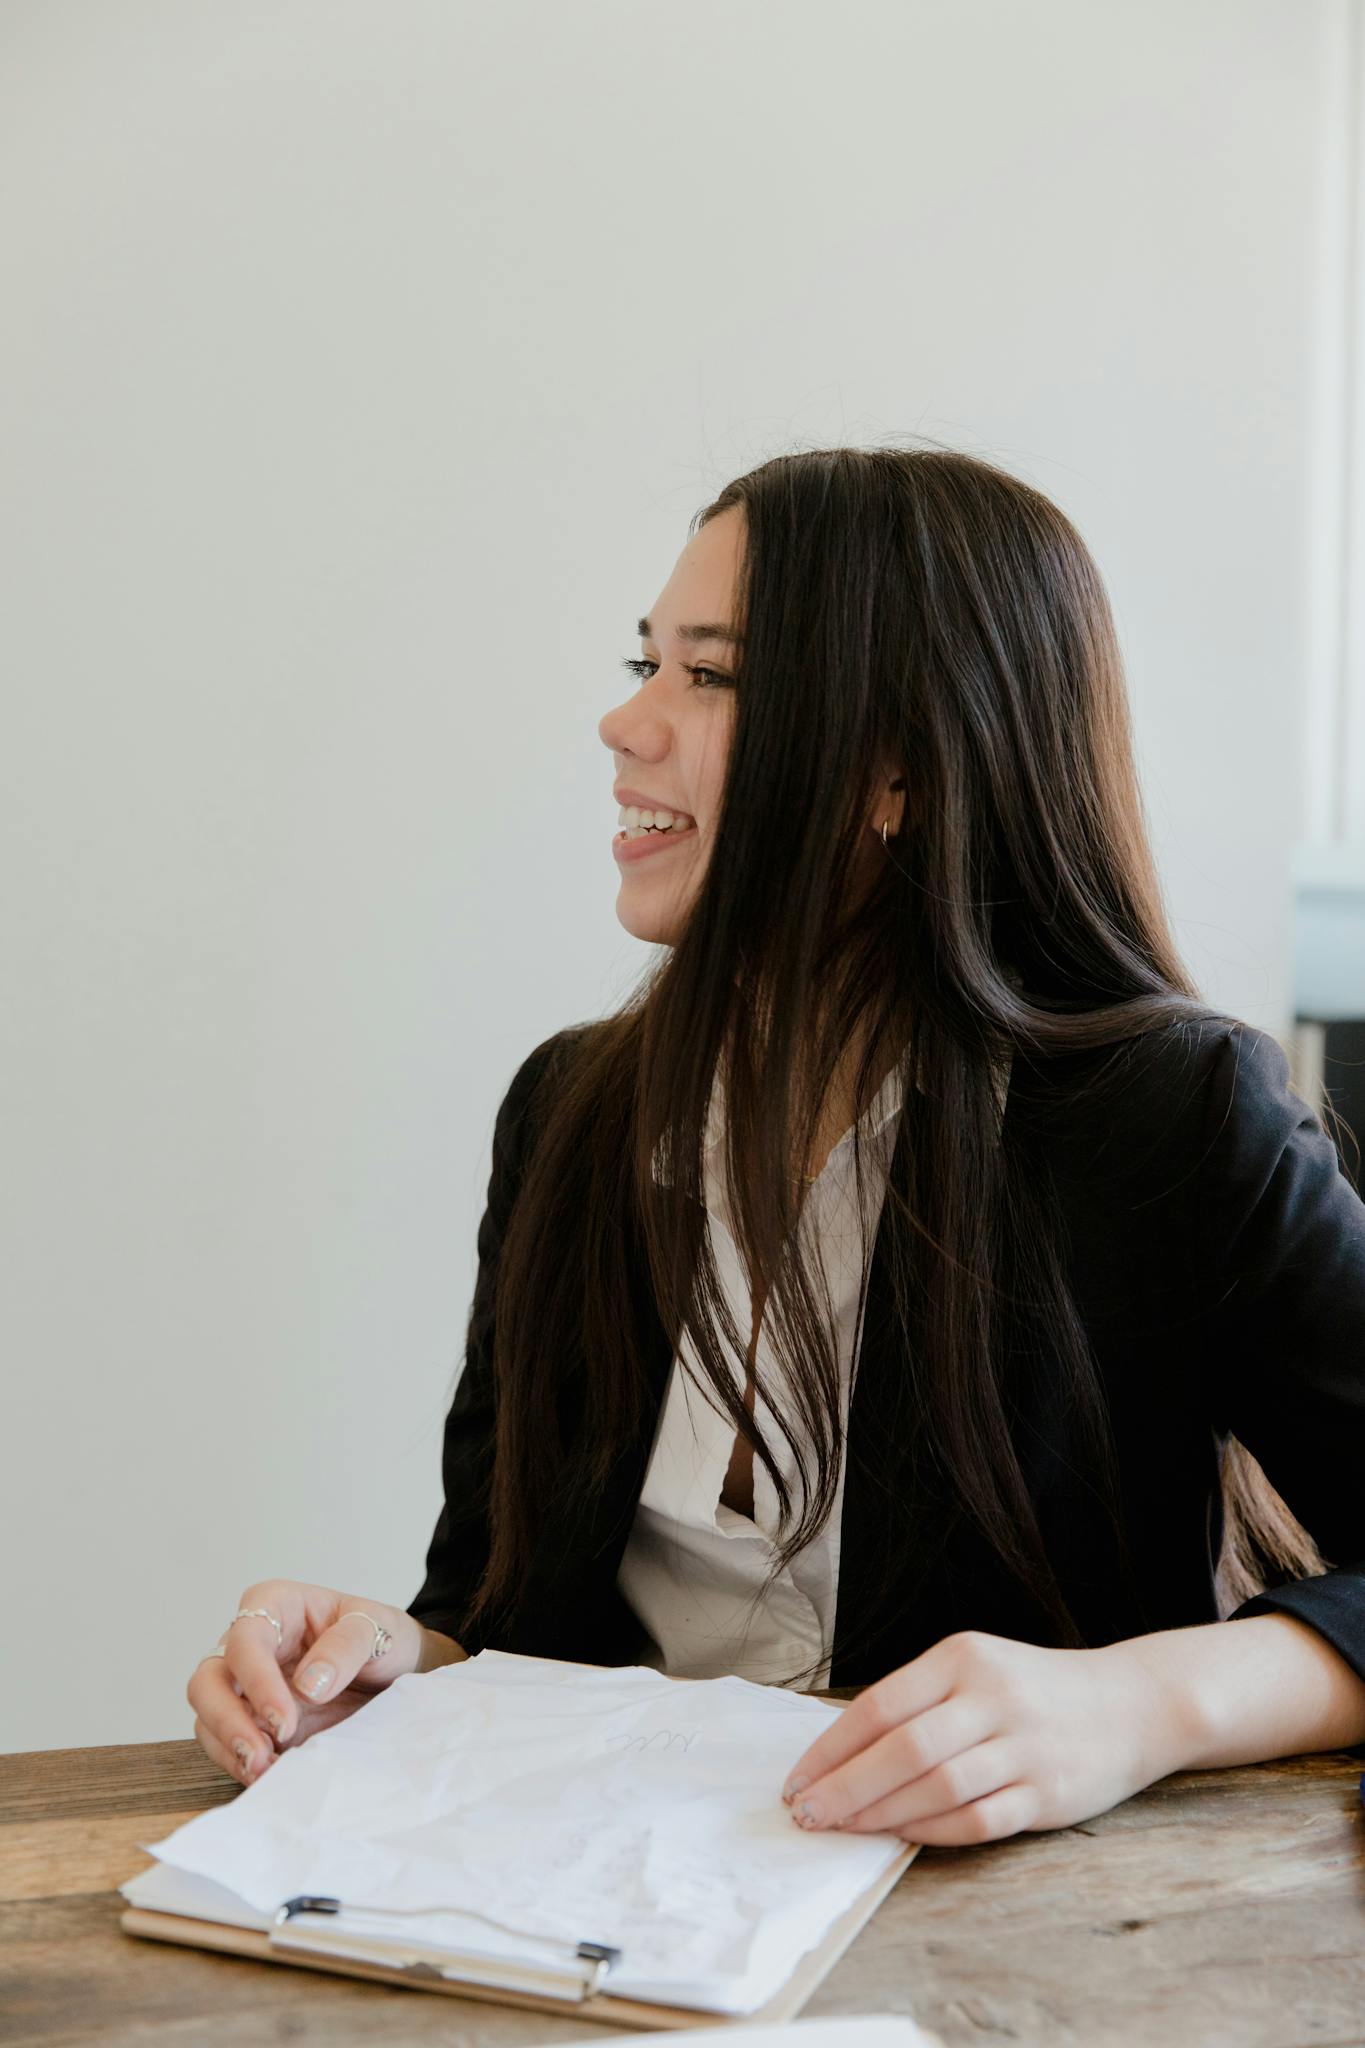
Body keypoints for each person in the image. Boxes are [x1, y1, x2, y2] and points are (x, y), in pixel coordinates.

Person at [187, 444, 1365, 1848]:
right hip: (610, 1911)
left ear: (896, 770)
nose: (625, 725)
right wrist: (384, 1664)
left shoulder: (1171, 1114)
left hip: (1010, 1940)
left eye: (710, 674)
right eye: (644, 663)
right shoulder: (571, 1114)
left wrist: (1136, 1703)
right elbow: (497, 1615)